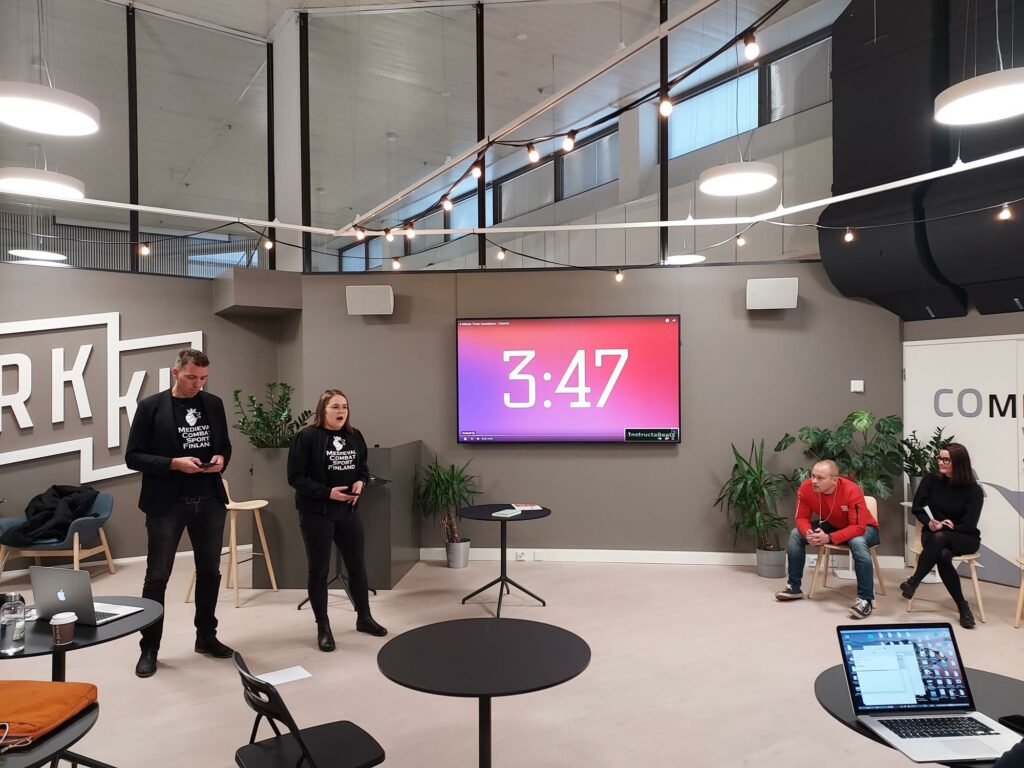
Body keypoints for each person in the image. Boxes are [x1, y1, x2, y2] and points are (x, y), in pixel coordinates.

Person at [125, 348, 234, 678]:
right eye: (191, 377)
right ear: (175, 373)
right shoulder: (151, 407)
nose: (197, 384)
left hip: (209, 500)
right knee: (157, 577)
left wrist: (221, 459)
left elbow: (225, 445)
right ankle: (149, 648)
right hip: (166, 504)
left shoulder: (213, 404)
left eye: (203, 378)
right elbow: (133, 457)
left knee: (210, 572)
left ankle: (206, 637)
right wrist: (174, 463)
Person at [288, 389, 387, 651]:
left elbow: (363, 467)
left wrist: (361, 481)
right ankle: (323, 627)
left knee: (357, 567)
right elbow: (295, 477)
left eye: (344, 406)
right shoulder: (307, 437)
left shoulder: (354, 436)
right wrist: (327, 493)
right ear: (323, 410)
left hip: (348, 512)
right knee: (318, 571)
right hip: (317, 514)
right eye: (335, 407)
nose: (341, 411)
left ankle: (364, 618)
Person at [775, 459, 880, 619]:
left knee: (857, 542)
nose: (814, 481)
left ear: (834, 480)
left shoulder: (851, 490)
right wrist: (809, 533)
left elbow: (858, 527)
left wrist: (829, 538)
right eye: (813, 476)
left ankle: (865, 600)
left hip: (866, 528)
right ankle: (794, 586)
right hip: (833, 524)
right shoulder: (806, 488)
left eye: (820, 478)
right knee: (796, 534)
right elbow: (801, 517)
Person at [900, 442, 983, 629]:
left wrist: (951, 526)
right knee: (943, 555)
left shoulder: (974, 490)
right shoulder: (930, 480)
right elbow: (917, 508)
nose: (940, 462)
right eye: (940, 458)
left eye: (946, 460)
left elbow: (969, 525)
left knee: (941, 538)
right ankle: (963, 607)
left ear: (959, 463)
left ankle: (914, 581)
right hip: (932, 533)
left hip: (963, 536)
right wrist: (929, 522)